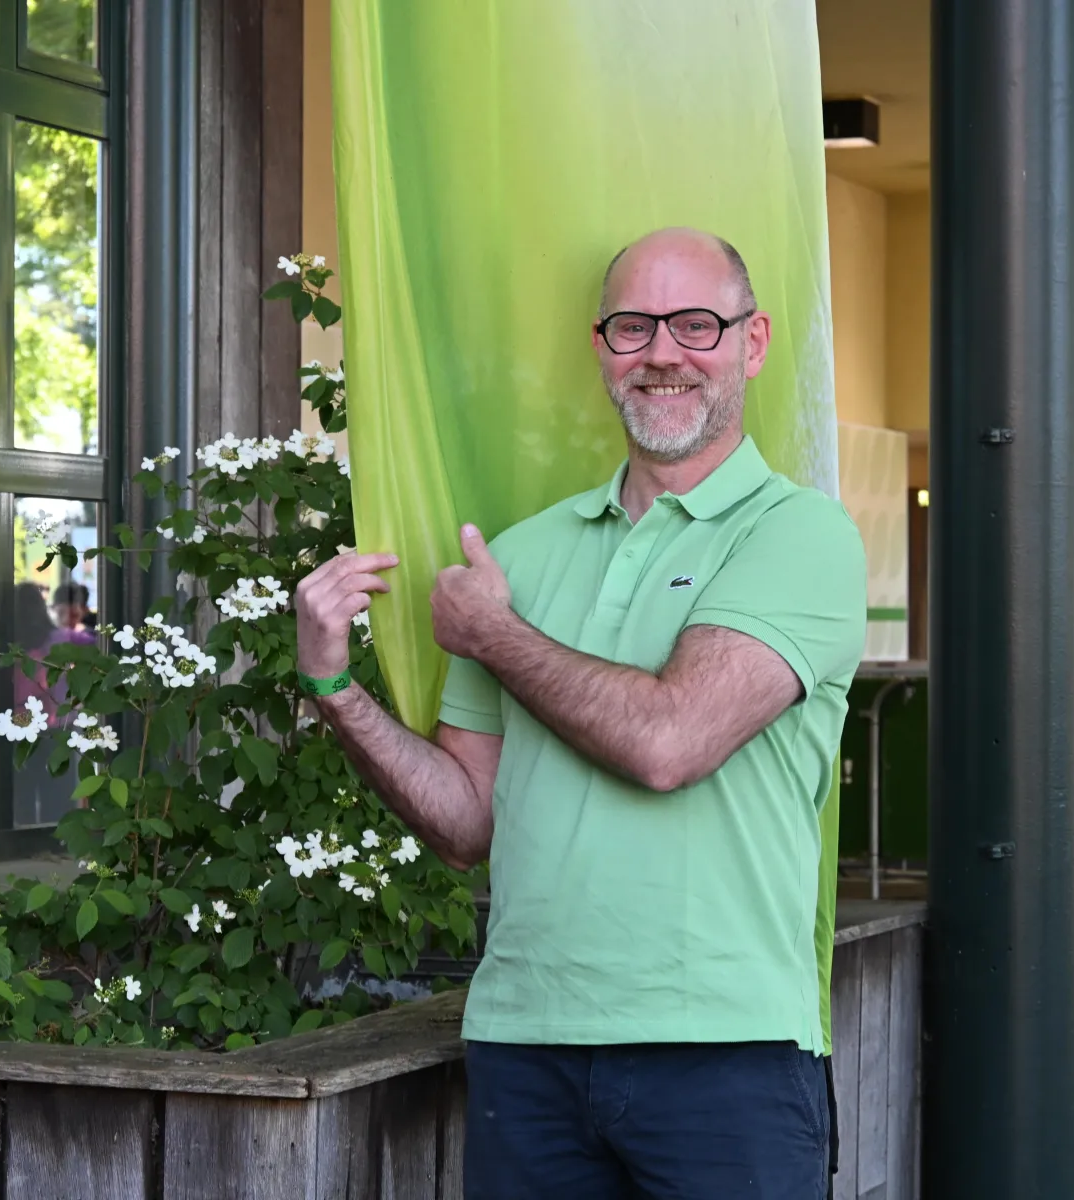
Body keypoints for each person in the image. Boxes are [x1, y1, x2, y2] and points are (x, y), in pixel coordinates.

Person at [295, 228, 865, 1198]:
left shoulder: (800, 535)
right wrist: (333, 687)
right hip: (528, 1047)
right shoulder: (520, 555)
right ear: (602, 349)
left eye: (697, 325)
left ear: (754, 341)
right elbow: (465, 822)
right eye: (633, 327)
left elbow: (670, 742)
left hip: (726, 1049)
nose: (663, 353)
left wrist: (497, 635)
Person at [14, 583, 95, 825]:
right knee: (58, 799)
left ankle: (21, 842)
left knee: (20, 799)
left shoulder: (4, 646)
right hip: (58, 725)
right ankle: (55, 841)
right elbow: (99, 647)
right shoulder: (62, 639)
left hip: (16, 728)